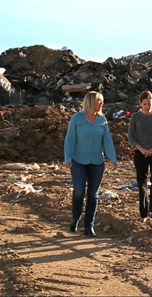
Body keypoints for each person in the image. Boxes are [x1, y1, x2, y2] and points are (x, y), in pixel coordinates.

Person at [63, 91, 117, 237]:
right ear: (91, 102)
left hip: (97, 162)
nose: (102, 104)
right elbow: (70, 139)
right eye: (100, 101)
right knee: (79, 191)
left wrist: (112, 158)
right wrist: (67, 157)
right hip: (78, 160)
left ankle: (89, 226)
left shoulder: (102, 120)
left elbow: (107, 140)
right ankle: (75, 218)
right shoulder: (77, 118)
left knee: (93, 195)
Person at [128, 90, 152, 223]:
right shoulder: (135, 117)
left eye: (149, 103)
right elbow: (131, 136)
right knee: (142, 181)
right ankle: (143, 212)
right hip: (140, 152)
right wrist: (142, 149)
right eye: (144, 104)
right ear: (140, 104)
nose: (147, 106)